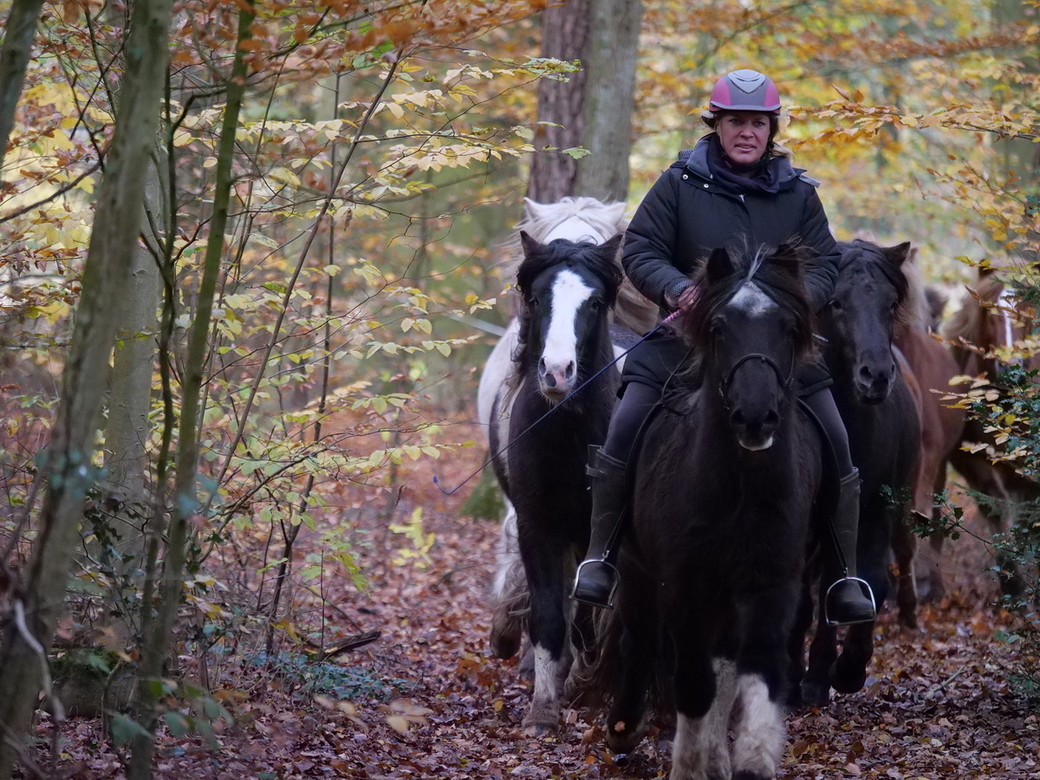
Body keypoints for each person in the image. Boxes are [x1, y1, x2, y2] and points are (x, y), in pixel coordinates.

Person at [570, 68, 876, 626]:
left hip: (775, 351)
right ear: (716, 125)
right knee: (625, 426)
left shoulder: (799, 193)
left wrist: (795, 302)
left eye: (757, 124)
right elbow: (640, 247)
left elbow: (829, 261)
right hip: (685, 344)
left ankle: (843, 574)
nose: (747, 133)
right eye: (736, 121)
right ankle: (601, 558)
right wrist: (676, 288)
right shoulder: (679, 184)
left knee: (836, 438)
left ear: (771, 129)